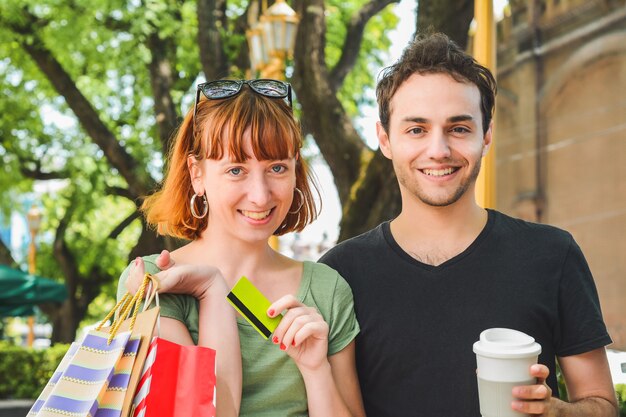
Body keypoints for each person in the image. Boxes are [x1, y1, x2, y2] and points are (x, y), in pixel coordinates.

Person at [319, 33, 618, 416]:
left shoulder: (552, 255)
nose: (439, 150)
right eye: (416, 129)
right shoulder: (340, 274)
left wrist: (555, 412)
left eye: (459, 128)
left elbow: (602, 406)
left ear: (486, 135)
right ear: (385, 139)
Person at [117, 79, 365, 417]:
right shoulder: (153, 283)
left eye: (277, 168)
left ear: (295, 170)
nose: (260, 195)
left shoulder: (326, 289)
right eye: (236, 170)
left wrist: (315, 369)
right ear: (197, 174)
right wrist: (211, 290)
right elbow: (210, 413)